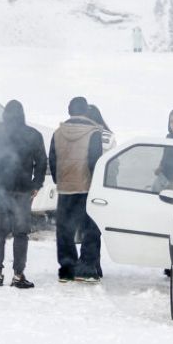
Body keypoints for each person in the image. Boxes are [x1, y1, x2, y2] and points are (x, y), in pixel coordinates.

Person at [0, 100, 47, 289]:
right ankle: (18, 275)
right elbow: (41, 162)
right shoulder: (33, 135)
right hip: (23, 190)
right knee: (20, 234)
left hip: (0, 189)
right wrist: (36, 184)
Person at [49, 96, 104, 283]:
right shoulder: (94, 133)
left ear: (69, 111)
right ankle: (86, 269)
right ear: (86, 111)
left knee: (64, 229)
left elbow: (53, 159)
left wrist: (60, 180)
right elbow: (95, 161)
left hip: (65, 188)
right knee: (91, 229)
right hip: (87, 188)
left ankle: (67, 269)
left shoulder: (57, 133)